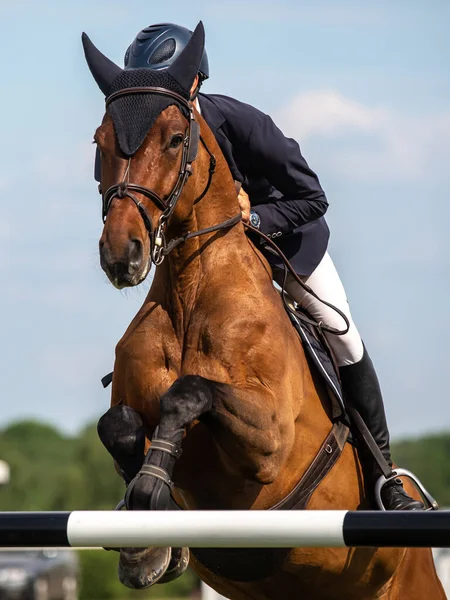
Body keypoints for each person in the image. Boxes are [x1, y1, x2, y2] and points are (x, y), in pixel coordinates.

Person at [95, 23, 423, 511]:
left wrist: (254, 217)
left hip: (286, 249)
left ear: (194, 85)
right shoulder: (151, 137)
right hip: (203, 262)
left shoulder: (242, 123)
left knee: (343, 335)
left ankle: (384, 477)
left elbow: (312, 197)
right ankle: (145, 485)